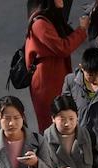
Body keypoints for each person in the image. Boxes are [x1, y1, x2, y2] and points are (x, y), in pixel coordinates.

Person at [25, 0, 89, 132]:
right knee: (50, 124)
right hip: (46, 80)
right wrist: (82, 29)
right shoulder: (40, 23)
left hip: (54, 74)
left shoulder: (51, 17)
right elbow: (63, 47)